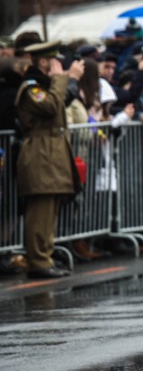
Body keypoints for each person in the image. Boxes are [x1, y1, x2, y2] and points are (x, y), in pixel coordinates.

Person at [13, 37, 83, 278]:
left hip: (51, 152)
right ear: (43, 61)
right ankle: (38, 260)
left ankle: (46, 255)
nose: (58, 65)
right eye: (53, 60)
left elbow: (59, 101)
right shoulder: (31, 88)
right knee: (39, 210)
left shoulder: (48, 85)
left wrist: (61, 82)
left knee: (50, 208)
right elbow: (51, 106)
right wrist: (63, 79)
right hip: (39, 153)